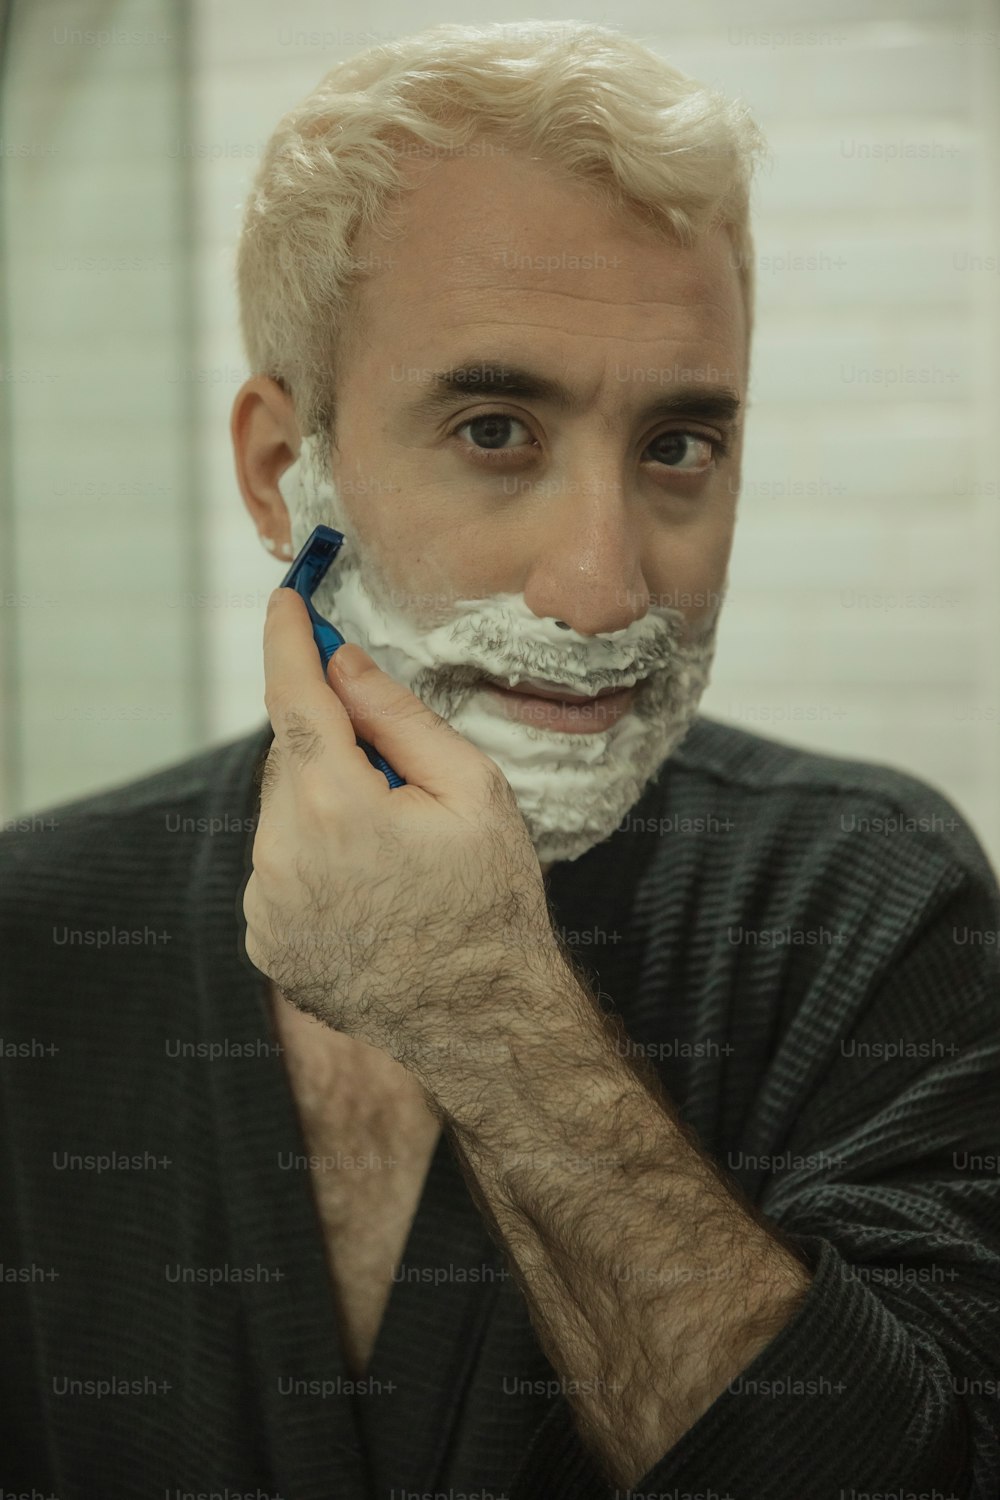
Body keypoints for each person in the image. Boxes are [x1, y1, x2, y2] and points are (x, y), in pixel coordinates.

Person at [2, 20, 998, 1500]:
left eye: (678, 447)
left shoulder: (872, 902)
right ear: (289, 475)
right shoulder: (39, 928)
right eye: (493, 427)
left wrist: (485, 1017)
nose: (602, 588)